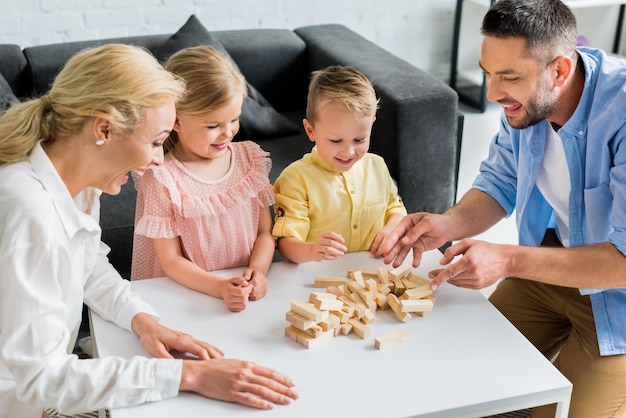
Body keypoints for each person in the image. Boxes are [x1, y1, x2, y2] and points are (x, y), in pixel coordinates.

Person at [0, 43, 297, 418]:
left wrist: (142, 320)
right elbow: (40, 377)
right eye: (156, 142)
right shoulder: (28, 210)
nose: (158, 160)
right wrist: (187, 376)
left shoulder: (82, 181)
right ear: (103, 129)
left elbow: (88, 264)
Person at [379, 1, 626, 417]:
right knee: (468, 384)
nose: (493, 93)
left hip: (618, 301)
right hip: (550, 269)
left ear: (560, 71)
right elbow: (500, 181)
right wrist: (446, 224)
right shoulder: (527, 102)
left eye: (509, 77)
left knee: (556, 413)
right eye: (489, 72)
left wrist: (507, 259)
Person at [131, 46, 275, 313]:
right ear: (175, 119)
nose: (227, 133)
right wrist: (219, 287)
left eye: (234, 119)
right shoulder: (162, 179)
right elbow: (171, 261)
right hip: (189, 299)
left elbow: (265, 232)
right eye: (213, 125)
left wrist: (258, 270)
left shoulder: (250, 160)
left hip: (243, 295)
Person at [272, 65, 407, 263]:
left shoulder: (377, 166)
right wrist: (311, 251)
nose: (349, 151)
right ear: (310, 131)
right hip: (320, 279)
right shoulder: (295, 180)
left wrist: (392, 228)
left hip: (372, 273)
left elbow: (394, 207)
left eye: (359, 140)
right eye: (336, 141)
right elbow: (285, 243)